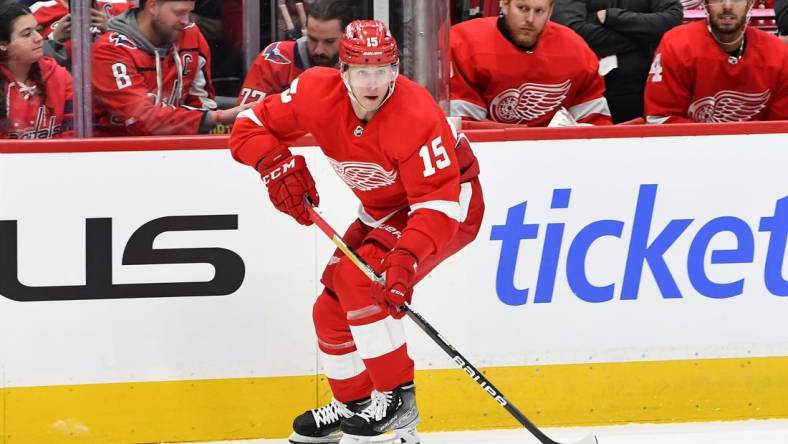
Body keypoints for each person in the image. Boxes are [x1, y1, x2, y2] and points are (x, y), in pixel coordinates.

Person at [229, 19, 484, 444]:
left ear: (395, 71)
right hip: (383, 209)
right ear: (343, 70)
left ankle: (399, 408)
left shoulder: (417, 114)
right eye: (362, 71)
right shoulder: (315, 92)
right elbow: (249, 125)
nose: (373, 82)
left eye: (382, 70)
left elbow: (436, 205)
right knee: (328, 310)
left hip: (448, 206)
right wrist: (273, 164)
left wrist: (405, 258)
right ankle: (354, 405)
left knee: (359, 283)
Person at [92, 0, 251, 136]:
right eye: (179, 13)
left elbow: (201, 102)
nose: (186, 21)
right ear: (152, 6)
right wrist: (217, 117)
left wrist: (206, 120)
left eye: (189, 12)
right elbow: (141, 119)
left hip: (177, 145)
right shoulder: (110, 50)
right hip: (115, 153)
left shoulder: (191, 35)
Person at [450, 0, 613, 126]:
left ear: (550, 11)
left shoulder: (576, 50)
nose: (530, 19)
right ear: (505, 4)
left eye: (539, 11)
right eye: (523, 8)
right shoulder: (464, 43)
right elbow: (463, 126)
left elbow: (595, 125)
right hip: (489, 156)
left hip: (555, 156)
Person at [644, 0, 788, 123]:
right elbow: (660, 118)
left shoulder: (778, 53)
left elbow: (780, 125)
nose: (727, 6)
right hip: (690, 151)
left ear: (750, 3)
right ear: (706, 3)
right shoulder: (676, 44)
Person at [551, 0, 682, 123]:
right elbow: (572, 32)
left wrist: (612, 17)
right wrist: (645, 37)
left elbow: (673, 20)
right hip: (587, 96)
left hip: (644, 91)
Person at [237, 0, 357, 105]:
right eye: (313, 39)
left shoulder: (362, 66)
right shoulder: (276, 58)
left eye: (329, 41)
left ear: (348, 37)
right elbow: (245, 119)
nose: (318, 50)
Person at [0, 2, 73, 139]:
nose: (39, 38)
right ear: (3, 44)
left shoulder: (60, 76)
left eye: (38, 30)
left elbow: (73, 131)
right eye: (27, 34)